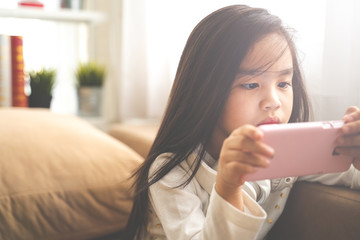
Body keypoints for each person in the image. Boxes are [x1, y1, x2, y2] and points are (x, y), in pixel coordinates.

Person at [124, 4, 360, 240]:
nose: (273, 102)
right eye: (251, 84)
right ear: (206, 90)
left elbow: (351, 176)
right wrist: (228, 187)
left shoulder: (289, 151)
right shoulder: (174, 171)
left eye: (283, 84)